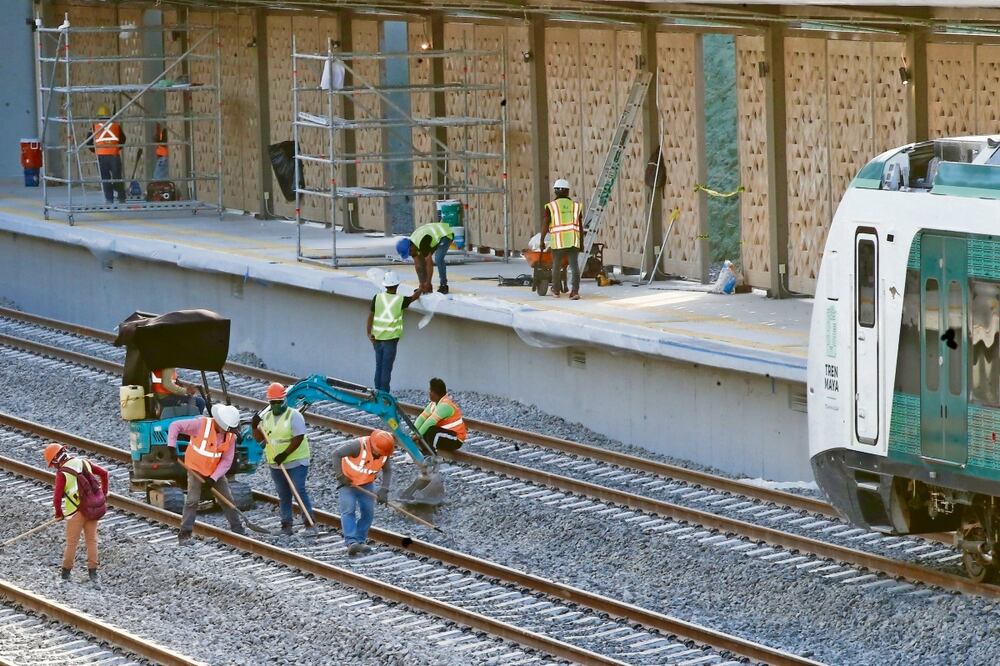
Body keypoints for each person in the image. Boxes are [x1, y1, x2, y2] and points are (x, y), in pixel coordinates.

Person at [167, 404, 246, 545]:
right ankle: (184, 534)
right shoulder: (200, 425)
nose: (231, 432)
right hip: (195, 468)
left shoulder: (230, 437)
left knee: (227, 499)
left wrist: (213, 478)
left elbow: (227, 461)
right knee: (192, 501)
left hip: (215, 471)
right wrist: (171, 446)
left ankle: (238, 529)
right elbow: (175, 425)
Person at [252, 382, 315, 536]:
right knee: (283, 494)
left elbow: (299, 437)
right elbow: (260, 439)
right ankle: (286, 526)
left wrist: (285, 454)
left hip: (296, 461)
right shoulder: (266, 417)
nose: (275, 406)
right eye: (273, 403)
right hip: (276, 464)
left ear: (284, 400)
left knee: (298, 490)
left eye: (278, 402)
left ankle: (310, 524)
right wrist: (255, 427)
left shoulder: (294, 415)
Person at [45, 443, 108, 583]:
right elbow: (104, 473)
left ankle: (66, 574)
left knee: (72, 543)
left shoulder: (62, 473)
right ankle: (93, 574)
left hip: (75, 513)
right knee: (92, 541)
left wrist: (58, 513)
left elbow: (56, 498)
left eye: (52, 463)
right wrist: (103, 494)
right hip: (92, 508)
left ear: (56, 460)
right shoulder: (83, 462)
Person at [332, 429, 395, 556]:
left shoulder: (384, 452)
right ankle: (351, 542)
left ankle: (359, 541)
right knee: (348, 510)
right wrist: (340, 476)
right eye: (379, 452)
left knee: (368, 512)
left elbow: (387, 471)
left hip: (366, 484)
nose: (380, 455)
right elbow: (336, 454)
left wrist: (384, 490)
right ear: (372, 445)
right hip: (348, 484)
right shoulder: (357, 446)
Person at [366, 270, 421, 393]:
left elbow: (370, 316)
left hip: (377, 339)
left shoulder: (378, 297)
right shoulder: (400, 300)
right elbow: (414, 298)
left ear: (385, 285)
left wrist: (369, 333)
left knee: (379, 367)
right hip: (390, 340)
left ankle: (377, 393)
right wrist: (420, 290)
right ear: (397, 285)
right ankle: (384, 396)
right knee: (386, 369)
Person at [540, 178, 584, 300]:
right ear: (568, 191)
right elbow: (580, 226)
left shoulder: (551, 206)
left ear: (555, 191)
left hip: (558, 242)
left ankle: (556, 290)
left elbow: (545, 224)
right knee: (574, 266)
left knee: (556, 266)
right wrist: (581, 242)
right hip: (573, 241)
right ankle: (574, 291)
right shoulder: (576, 206)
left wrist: (542, 240)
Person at [395, 221, 455, 294]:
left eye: (409, 253)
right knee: (421, 261)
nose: (410, 255)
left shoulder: (422, 243)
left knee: (438, 258)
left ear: (411, 247)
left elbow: (429, 264)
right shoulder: (412, 246)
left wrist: (428, 283)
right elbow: (418, 266)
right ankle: (426, 286)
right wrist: (421, 284)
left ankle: (443, 285)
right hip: (432, 236)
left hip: (445, 234)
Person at [86, 105, 127, 204]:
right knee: (117, 177)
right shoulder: (116, 126)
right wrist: (116, 148)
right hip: (114, 155)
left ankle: (109, 199)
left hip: (101, 156)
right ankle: (121, 197)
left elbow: (88, 142)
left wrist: (96, 150)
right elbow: (123, 139)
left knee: (105, 178)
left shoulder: (94, 126)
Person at [413, 377, 467, 452]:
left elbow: (430, 421)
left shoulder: (445, 405)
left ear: (435, 393)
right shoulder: (433, 404)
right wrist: (413, 432)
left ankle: (432, 454)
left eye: (430, 390)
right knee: (426, 431)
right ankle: (425, 452)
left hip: (456, 439)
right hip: (446, 434)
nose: (429, 392)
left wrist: (417, 436)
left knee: (431, 431)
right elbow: (422, 418)